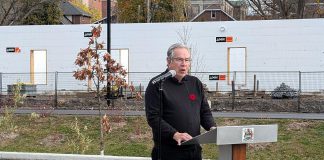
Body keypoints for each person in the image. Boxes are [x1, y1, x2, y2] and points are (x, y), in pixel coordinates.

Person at [145, 43, 216, 160]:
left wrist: (212, 128)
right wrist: (174, 134)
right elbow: (153, 117)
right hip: (168, 151)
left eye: (187, 60)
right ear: (168, 61)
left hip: (193, 150)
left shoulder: (195, 83)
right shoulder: (157, 83)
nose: (184, 64)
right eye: (179, 60)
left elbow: (204, 112)